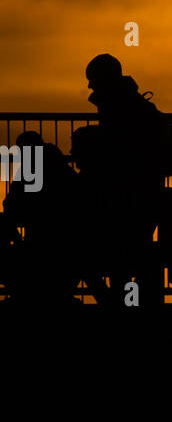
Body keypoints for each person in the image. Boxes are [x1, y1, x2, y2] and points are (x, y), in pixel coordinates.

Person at [73, 54, 172, 304]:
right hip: (143, 190)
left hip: (128, 193)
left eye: (92, 80)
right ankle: (139, 305)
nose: (90, 86)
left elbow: (119, 152)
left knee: (123, 253)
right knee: (137, 252)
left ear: (103, 79)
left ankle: (124, 308)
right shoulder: (134, 105)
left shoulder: (119, 107)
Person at [2, 130, 79, 304]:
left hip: (45, 235)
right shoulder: (61, 167)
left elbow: (12, 202)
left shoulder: (33, 167)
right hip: (66, 239)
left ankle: (24, 293)